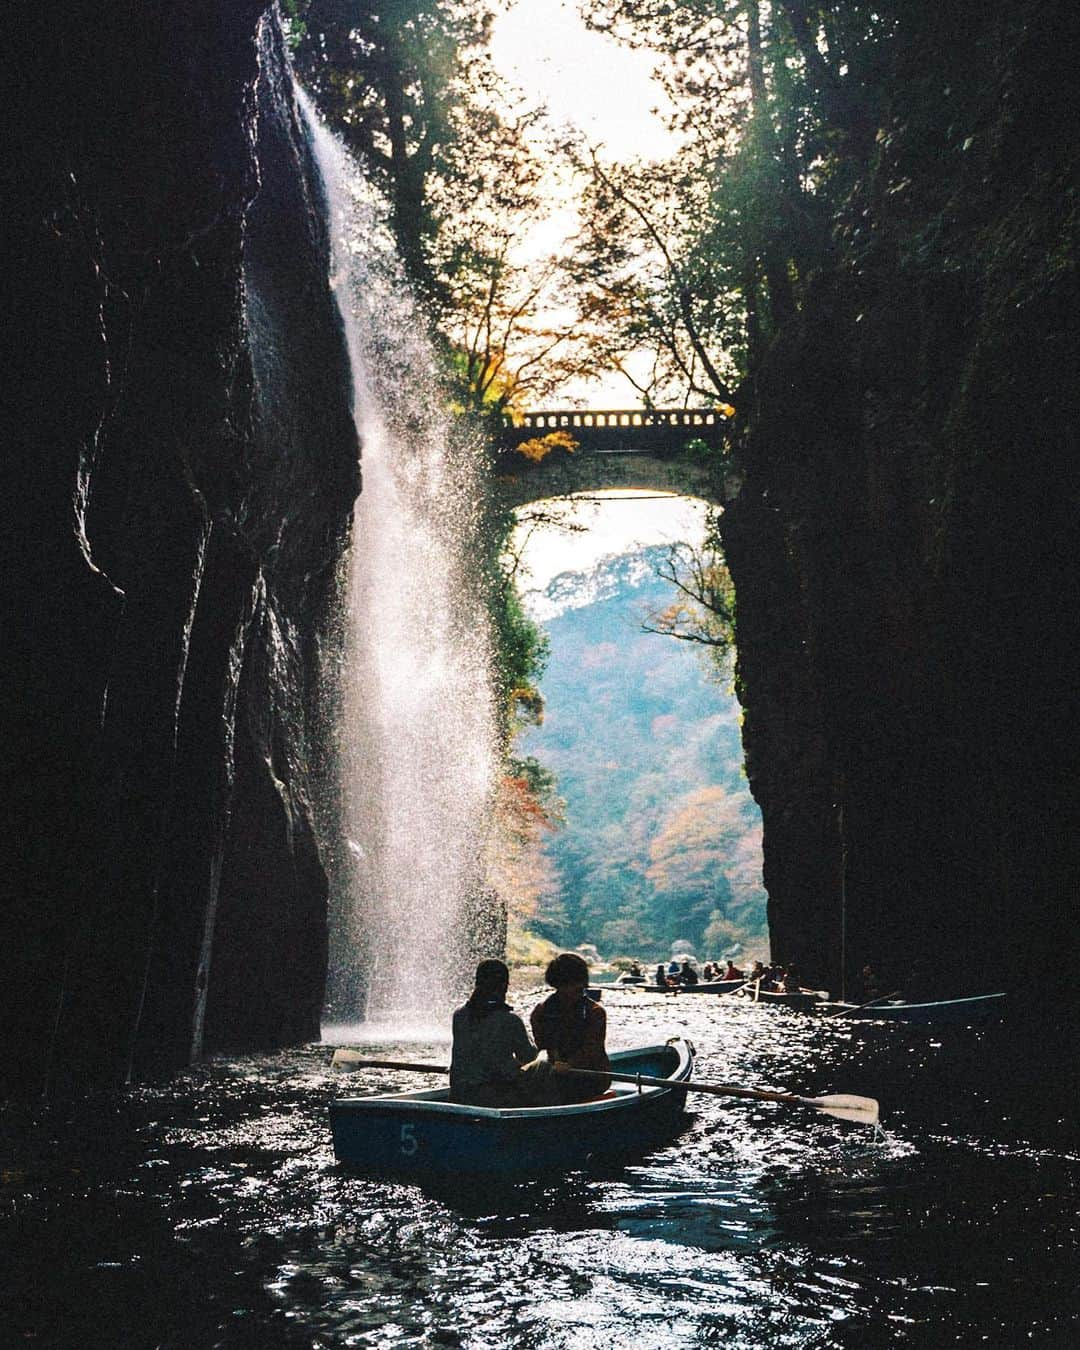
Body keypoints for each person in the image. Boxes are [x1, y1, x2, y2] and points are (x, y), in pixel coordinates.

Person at [449, 959, 536, 1107]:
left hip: (459, 1093)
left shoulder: (459, 1015)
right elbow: (529, 1057)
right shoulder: (510, 1020)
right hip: (495, 1097)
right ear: (504, 986)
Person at [529, 952, 611, 1103]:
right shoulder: (541, 1012)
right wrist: (555, 1060)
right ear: (558, 985)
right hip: (556, 1073)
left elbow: (592, 1050)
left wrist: (570, 1065)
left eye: (578, 987)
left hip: (591, 1076)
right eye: (569, 985)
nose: (575, 991)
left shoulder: (594, 1013)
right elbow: (543, 1044)